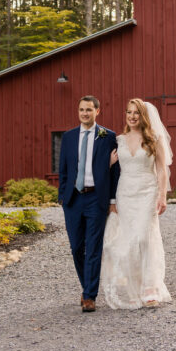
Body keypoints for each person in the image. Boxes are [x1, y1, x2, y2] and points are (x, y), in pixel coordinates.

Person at [99, 98, 172, 309]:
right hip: (125, 193)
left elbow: (161, 170)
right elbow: (110, 170)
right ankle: (133, 288)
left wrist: (162, 196)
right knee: (129, 240)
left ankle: (150, 288)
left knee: (144, 238)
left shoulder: (154, 139)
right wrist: (109, 163)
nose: (132, 116)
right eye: (129, 112)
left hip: (147, 192)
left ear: (143, 116)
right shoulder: (119, 140)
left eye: (136, 113)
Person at [57, 95, 120, 313]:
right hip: (73, 199)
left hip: (96, 198)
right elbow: (63, 169)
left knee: (93, 247)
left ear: (97, 112)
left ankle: (89, 296)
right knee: (76, 248)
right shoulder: (68, 137)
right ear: (78, 111)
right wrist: (62, 197)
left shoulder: (108, 136)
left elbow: (115, 172)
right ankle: (87, 287)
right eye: (82, 109)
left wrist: (112, 199)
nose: (85, 113)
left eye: (89, 110)